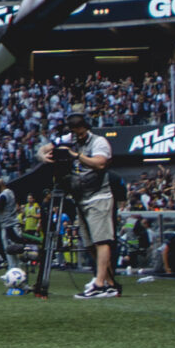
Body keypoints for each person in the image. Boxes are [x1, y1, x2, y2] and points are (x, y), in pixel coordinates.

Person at [43, 111, 118, 299]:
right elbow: (43, 149)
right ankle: (110, 283)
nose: (79, 136)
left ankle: (99, 284)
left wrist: (75, 155)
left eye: (82, 133)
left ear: (87, 128)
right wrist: (44, 157)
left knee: (102, 240)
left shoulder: (99, 142)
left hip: (99, 195)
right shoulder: (69, 138)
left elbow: (100, 164)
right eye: (76, 133)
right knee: (90, 243)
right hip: (80, 198)